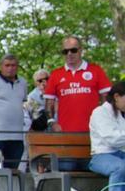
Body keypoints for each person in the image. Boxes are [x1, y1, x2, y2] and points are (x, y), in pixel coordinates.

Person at [44, 36, 111, 170]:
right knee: (66, 170)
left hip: (92, 135)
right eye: (65, 51)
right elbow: (48, 102)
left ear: (81, 51)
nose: (69, 54)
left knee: (92, 172)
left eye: (73, 50)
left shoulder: (95, 70)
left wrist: (106, 120)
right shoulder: (56, 74)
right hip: (66, 135)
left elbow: (107, 98)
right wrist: (52, 122)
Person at [88, 80, 125, 191]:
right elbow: (112, 139)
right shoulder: (100, 113)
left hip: (121, 154)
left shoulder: (121, 113)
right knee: (121, 167)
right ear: (116, 97)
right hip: (101, 156)